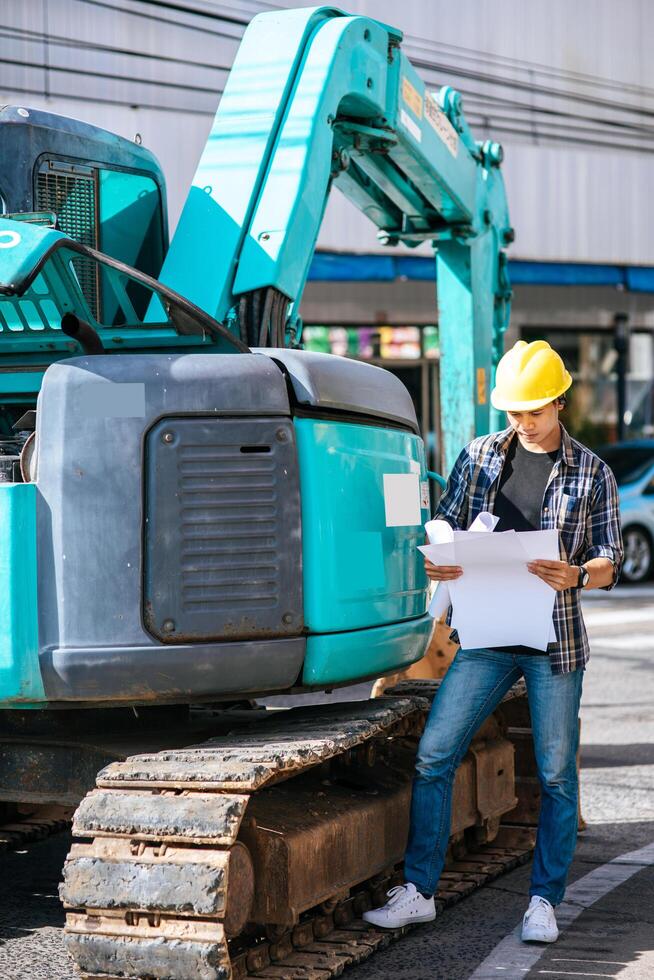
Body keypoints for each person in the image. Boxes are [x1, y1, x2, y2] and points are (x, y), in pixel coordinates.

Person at [363, 340, 623, 943]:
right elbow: (447, 522)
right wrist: (440, 561)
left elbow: (612, 560)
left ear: (560, 401)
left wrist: (579, 574)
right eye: (513, 412)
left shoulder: (593, 472)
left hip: (553, 644)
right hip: (483, 635)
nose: (523, 423)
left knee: (557, 773)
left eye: (534, 411)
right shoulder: (479, 456)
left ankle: (542, 902)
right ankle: (420, 891)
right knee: (433, 755)